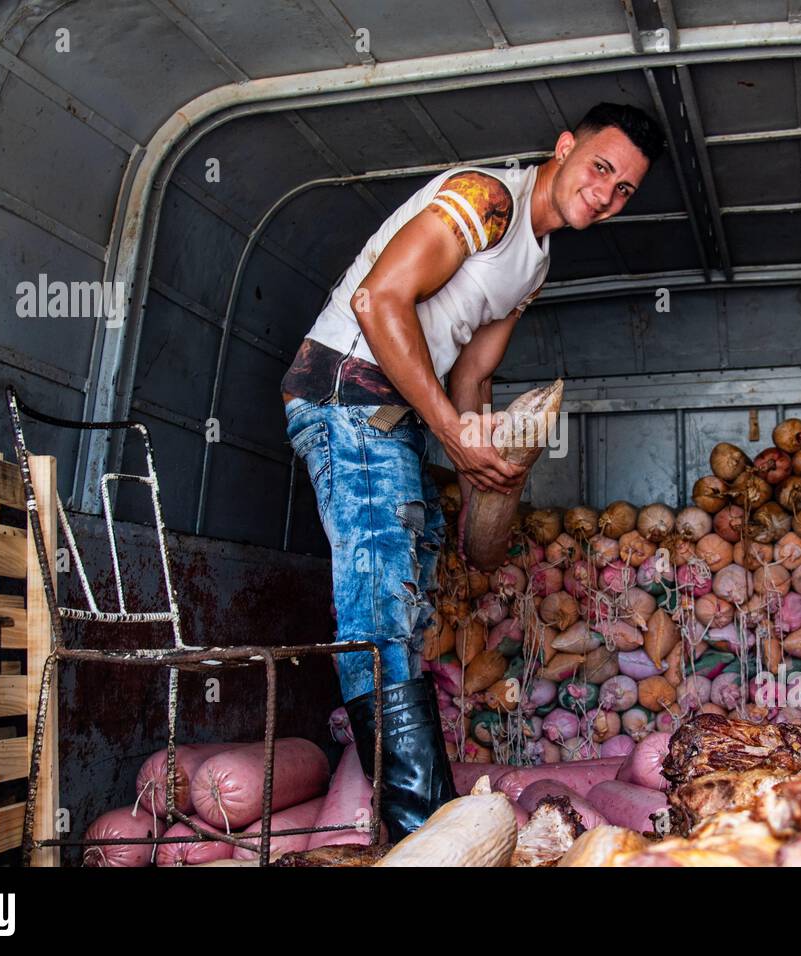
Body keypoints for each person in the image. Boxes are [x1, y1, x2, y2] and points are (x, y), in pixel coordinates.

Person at [280, 102, 664, 840]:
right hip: (348, 395)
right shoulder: (487, 200)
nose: (608, 193)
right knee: (379, 609)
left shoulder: (536, 262)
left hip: (403, 419)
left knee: (408, 602)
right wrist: (453, 436)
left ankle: (422, 827)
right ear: (563, 148)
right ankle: (421, 831)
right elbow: (377, 299)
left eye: (625, 190)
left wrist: (483, 472)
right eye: (601, 168)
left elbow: (475, 377)